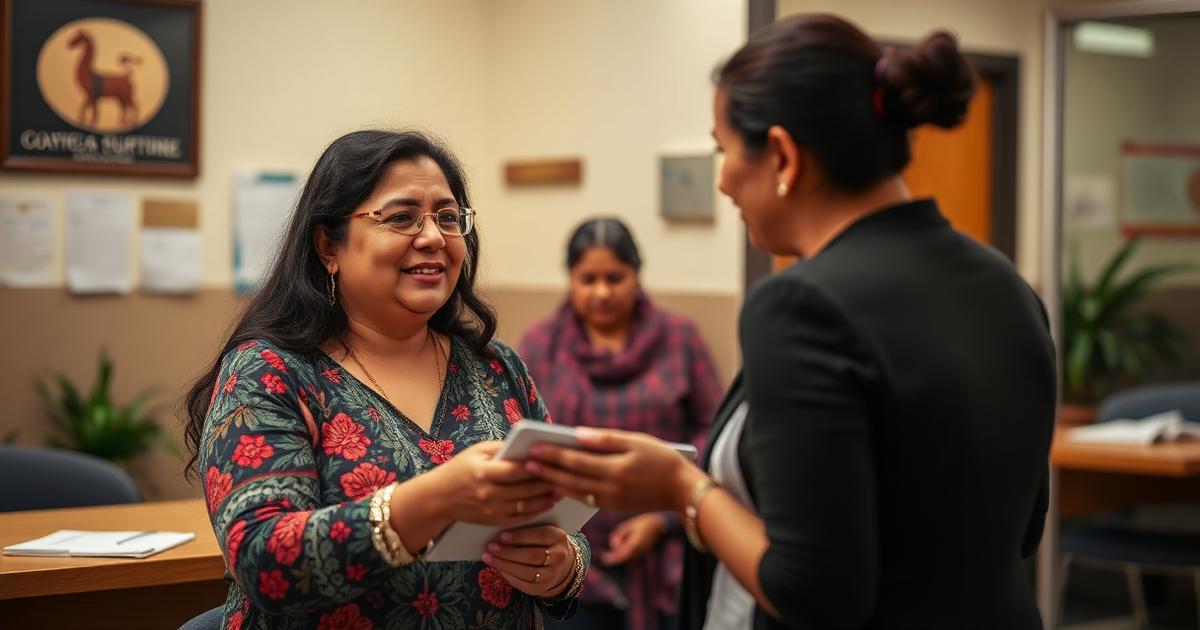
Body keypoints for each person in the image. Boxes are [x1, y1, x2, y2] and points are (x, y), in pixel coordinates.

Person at [524, 14, 1056, 630]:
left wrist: (681, 488)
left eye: (724, 150)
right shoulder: (1006, 286)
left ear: (781, 154)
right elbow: (1024, 525)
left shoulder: (802, 306)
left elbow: (814, 592)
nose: (721, 181)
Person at [183, 129, 590, 629]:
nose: (433, 237)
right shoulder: (270, 372)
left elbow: (562, 520)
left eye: (447, 217)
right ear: (328, 245)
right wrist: (434, 499)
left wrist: (562, 565)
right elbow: (263, 562)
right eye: (401, 218)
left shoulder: (496, 368)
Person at [519, 217, 722, 630]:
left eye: (615, 277)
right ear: (570, 279)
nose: (602, 292)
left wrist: (663, 518)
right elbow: (521, 437)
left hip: (668, 552)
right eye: (588, 279)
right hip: (569, 553)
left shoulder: (679, 338)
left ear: (637, 275)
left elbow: (712, 433)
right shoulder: (541, 345)